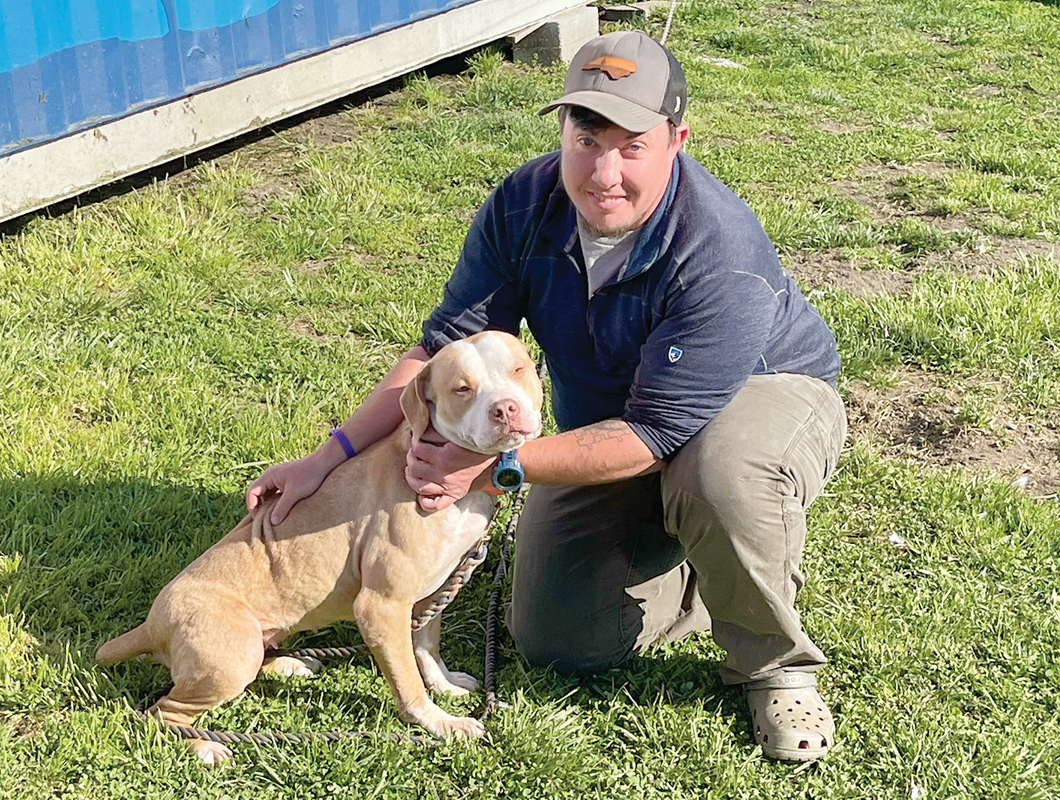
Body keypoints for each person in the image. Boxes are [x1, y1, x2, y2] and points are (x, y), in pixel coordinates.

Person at [247, 30, 846, 762]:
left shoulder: (720, 251)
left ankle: (774, 667)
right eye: (587, 138)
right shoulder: (524, 204)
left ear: (677, 140)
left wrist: (494, 467)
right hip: (613, 417)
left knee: (717, 472)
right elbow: (441, 353)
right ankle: (705, 556)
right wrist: (328, 456)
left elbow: (655, 435)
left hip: (759, 394)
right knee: (559, 639)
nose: (603, 171)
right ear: (562, 128)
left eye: (632, 146)